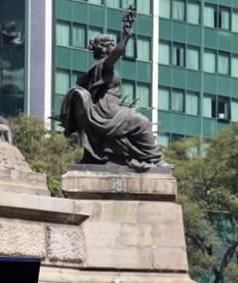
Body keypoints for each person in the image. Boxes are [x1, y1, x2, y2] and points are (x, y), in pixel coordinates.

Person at [60, 6, 162, 170]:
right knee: (142, 122)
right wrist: (126, 36)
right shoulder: (102, 66)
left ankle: (138, 156)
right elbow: (116, 55)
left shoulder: (99, 67)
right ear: (100, 48)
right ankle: (154, 159)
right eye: (107, 45)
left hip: (109, 108)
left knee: (138, 123)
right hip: (106, 110)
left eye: (111, 44)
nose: (110, 48)